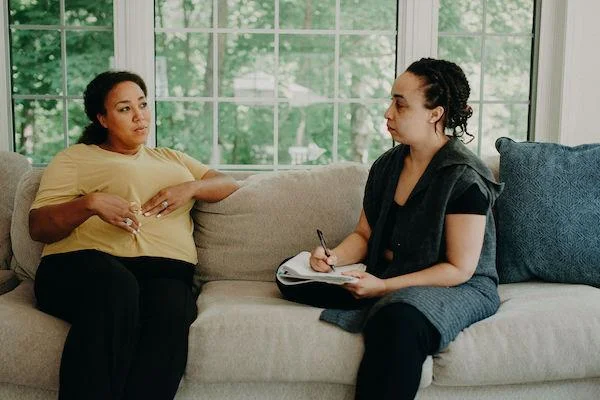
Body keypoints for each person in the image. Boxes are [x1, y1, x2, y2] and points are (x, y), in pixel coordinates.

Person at [276, 58, 503, 400]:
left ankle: (383, 301)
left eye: (400, 104)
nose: (387, 113)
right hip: (389, 273)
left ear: (435, 114)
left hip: (457, 285)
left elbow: (459, 268)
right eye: (390, 101)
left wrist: (383, 287)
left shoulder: (464, 177)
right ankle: (370, 292)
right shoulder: (387, 166)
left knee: (396, 323)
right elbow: (365, 236)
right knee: (289, 275)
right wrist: (333, 257)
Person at [30, 70, 239, 400]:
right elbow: (38, 227)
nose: (140, 115)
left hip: (166, 273)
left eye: (142, 104)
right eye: (125, 108)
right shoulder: (75, 158)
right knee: (117, 289)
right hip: (83, 267)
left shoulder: (170, 158)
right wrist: (90, 203)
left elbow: (228, 183)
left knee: (172, 309)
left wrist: (192, 186)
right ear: (102, 118)